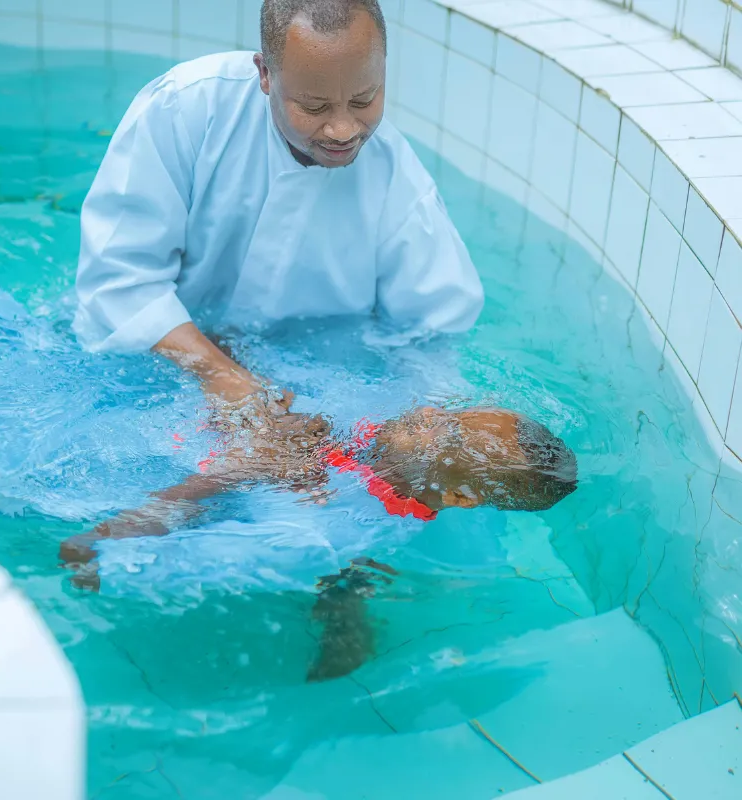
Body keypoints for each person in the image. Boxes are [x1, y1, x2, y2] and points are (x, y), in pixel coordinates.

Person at [73, 0, 484, 426]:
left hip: (312, 389)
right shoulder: (183, 109)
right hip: (147, 369)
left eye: (364, 99)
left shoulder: (400, 183)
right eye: (314, 107)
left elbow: (434, 337)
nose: (343, 129)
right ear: (265, 74)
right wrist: (219, 373)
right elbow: (117, 281)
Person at [60, 405, 577, 679]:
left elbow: (93, 564)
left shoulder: (309, 538)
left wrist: (237, 468)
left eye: (449, 435)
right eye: (455, 413)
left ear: (461, 496)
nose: (429, 413)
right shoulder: (379, 453)